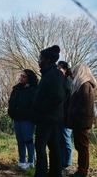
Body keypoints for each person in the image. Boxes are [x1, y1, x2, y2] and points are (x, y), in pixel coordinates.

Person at [31, 45, 66, 177]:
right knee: (53, 145)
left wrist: (40, 106)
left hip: (47, 116)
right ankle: (55, 173)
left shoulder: (53, 74)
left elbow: (57, 96)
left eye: (41, 59)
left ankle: (41, 173)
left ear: (48, 60)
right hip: (50, 116)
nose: (39, 61)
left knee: (40, 146)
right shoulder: (50, 73)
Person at [66, 63, 97, 177]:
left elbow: (83, 104)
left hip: (81, 121)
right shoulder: (83, 85)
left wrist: (72, 115)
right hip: (80, 120)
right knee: (80, 146)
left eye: (74, 72)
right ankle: (81, 170)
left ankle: (82, 172)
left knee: (82, 147)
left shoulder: (84, 85)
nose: (73, 74)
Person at [8, 69, 38, 169]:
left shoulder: (33, 90)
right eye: (21, 76)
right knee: (20, 140)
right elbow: (12, 101)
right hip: (17, 117)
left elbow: (33, 105)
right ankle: (21, 160)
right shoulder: (16, 88)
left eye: (24, 76)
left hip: (27, 119)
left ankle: (31, 161)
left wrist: (30, 114)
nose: (21, 78)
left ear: (29, 79)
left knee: (28, 139)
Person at [57, 61, 73, 173]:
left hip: (66, 115)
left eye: (60, 68)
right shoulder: (59, 81)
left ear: (65, 69)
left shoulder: (68, 82)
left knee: (66, 138)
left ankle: (67, 163)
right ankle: (61, 162)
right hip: (58, 115)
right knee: (59, 139)